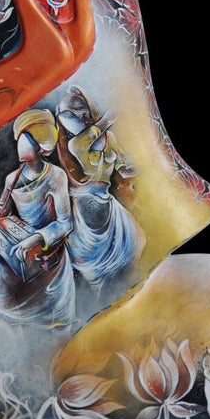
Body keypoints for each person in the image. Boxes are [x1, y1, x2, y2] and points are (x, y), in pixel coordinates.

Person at [0, 108, 76, 330]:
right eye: (21, 137)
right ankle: (14, 332)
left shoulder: (55, 177)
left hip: (47, 254)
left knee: (56, 319)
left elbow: (65, 224)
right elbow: (1, 214)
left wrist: (35, 239)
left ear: (41, 146)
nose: (20, 144)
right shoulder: (12, 179)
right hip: (19, 250)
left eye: (28, 138)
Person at [56, 85, 147, 296]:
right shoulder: (76, 144)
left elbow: (122, 168)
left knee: (134, 243)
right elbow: (103, 124)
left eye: (83, 111)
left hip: (108, 204)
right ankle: (102, 297)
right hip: (87, 206)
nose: (82, 117)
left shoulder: (109, 138)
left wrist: (141, 167)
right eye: (73, 115)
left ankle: (129, 290)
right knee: (93, 260)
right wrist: (107, 118)